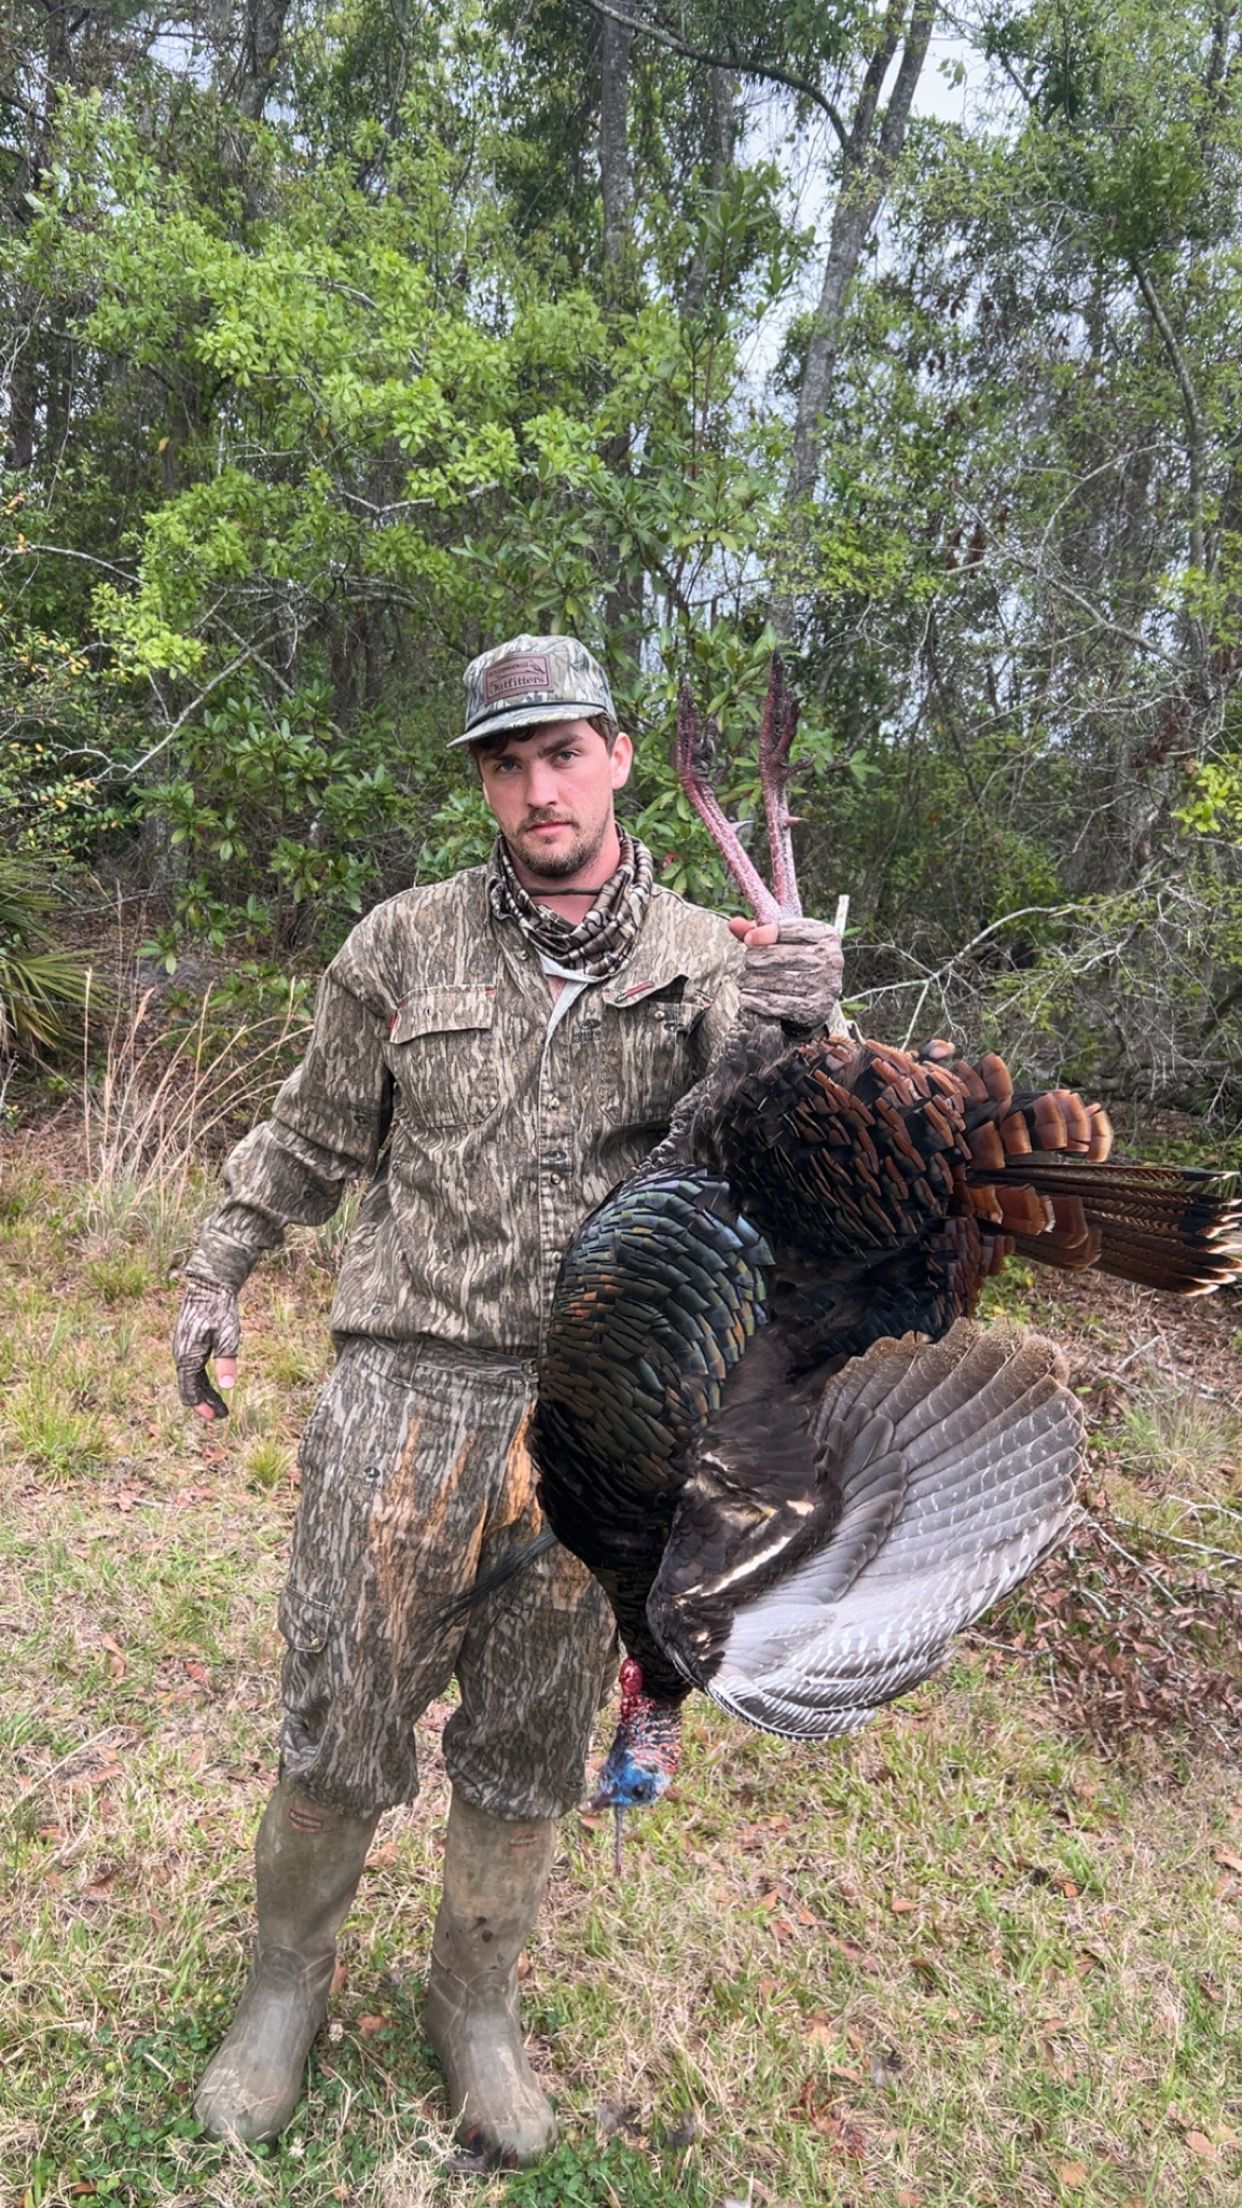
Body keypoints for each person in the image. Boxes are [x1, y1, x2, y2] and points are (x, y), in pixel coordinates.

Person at [172, 634, 842, 2164]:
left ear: (615, 757)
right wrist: (218, 1269)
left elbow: (794, 1165)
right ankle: (283, 1990)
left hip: (603, 1411)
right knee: (340, 1707)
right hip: (402, 1390)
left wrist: (807, 1025)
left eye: (561, 753)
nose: (537, 788)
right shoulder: (401, 945)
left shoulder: (714, 957)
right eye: (505, 762)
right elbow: (311, 1137)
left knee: (534, 1737)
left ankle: (471, 2007)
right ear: (483, 782)